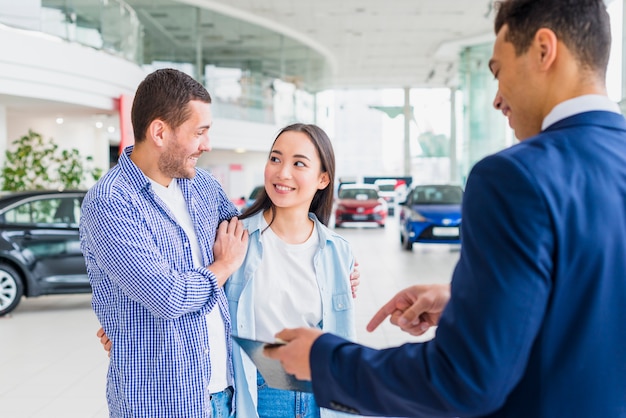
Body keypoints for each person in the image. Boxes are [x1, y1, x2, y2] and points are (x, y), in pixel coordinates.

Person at [266, 0, 626, 417]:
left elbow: (465, 381)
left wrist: (324, 359)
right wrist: (473, 305)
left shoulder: (513, 177)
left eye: (498, 71)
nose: (496, 100)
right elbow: (593, 302)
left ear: (544, 50)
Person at [80, 68, 249, 418]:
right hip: (161, 403)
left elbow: (250, 241)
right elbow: (167, 296)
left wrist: (328, 260)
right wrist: (223, 266)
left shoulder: (203, 186)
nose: (207, 144)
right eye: (199, 132)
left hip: (222, 393)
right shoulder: (111, 202)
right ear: (159, 131)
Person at [225, 123, 358, 418]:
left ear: (323, 178)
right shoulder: (235, 238)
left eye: (299, 163)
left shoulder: (338, 250)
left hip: (319, 398)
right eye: (275, 159)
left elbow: (340, 334)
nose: (282, 172)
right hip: (260, 394)